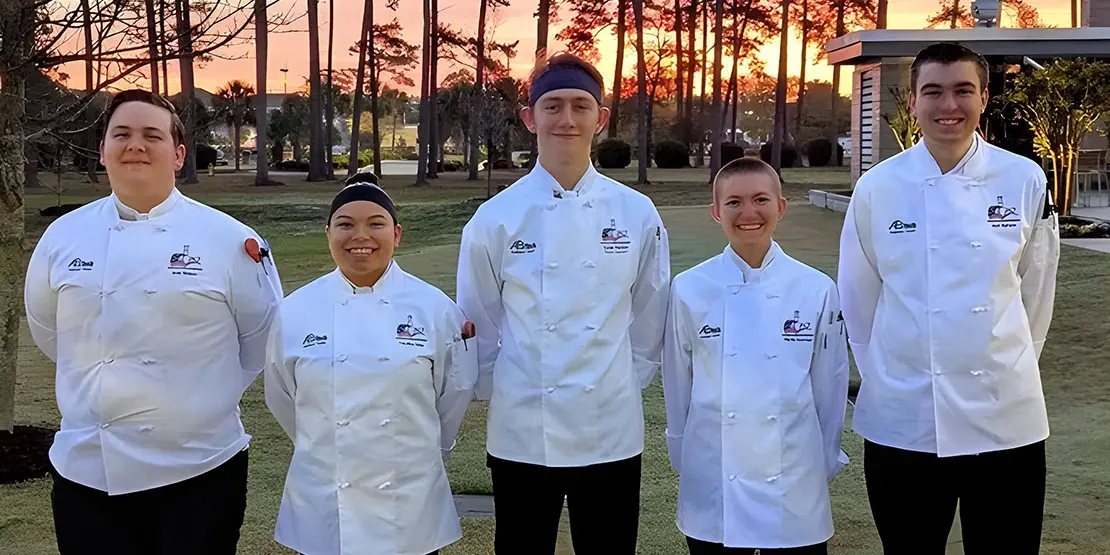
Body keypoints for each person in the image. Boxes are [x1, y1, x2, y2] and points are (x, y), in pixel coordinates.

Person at [23, 89, 283, 554]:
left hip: (199, 470)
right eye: (121, 134)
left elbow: (260, 340)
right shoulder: (63, 236)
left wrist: (192, 402)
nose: (135, 145)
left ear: (179, 154)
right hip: (87, 471)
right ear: (102, 150)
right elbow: (50, 332)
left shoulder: (230, 240)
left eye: (151, 135)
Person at [837, 42, 1060, 555]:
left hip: (1006, 416)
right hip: (905, 417)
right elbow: (859, 297)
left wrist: (1010, 364)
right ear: (912, 101)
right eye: (933, 91)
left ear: (985, 97)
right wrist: (891, 378)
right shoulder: (877, 187)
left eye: (963, 90)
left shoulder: (1024, 178)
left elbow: (1037, 291)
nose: (948, 105)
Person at [456, 51, 671, 555]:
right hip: (524, 427)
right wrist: (506, 388)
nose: (567, 119)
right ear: (530, 117)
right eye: (552, 106)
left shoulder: (636, 213)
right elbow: (479, 319)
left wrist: (621, 380)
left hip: (610, 424)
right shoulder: (495, 218)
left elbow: (650, 311)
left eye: (581, 105)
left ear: (602, 115)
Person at [265, 182, 478, 555]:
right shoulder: (295, 310)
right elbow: (281, 397)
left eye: (376, 224)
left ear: (396, 234)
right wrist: (324, 445)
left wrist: (420, 450)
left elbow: (454, 393)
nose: (360, 236)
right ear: (328, 234)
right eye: (345, 225)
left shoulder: (434, 309)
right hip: (325, 499)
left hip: (409, 500)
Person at [663, 157, 849, 555]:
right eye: (733, 202)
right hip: (714, 473)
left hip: (793, 476)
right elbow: (678, 382)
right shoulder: (689, 288)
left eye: (760, 199)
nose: (748, 213)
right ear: (716, 212)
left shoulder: (816, 288)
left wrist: (823, 458)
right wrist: (683, 452)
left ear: (780, 207)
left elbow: (830, 387)